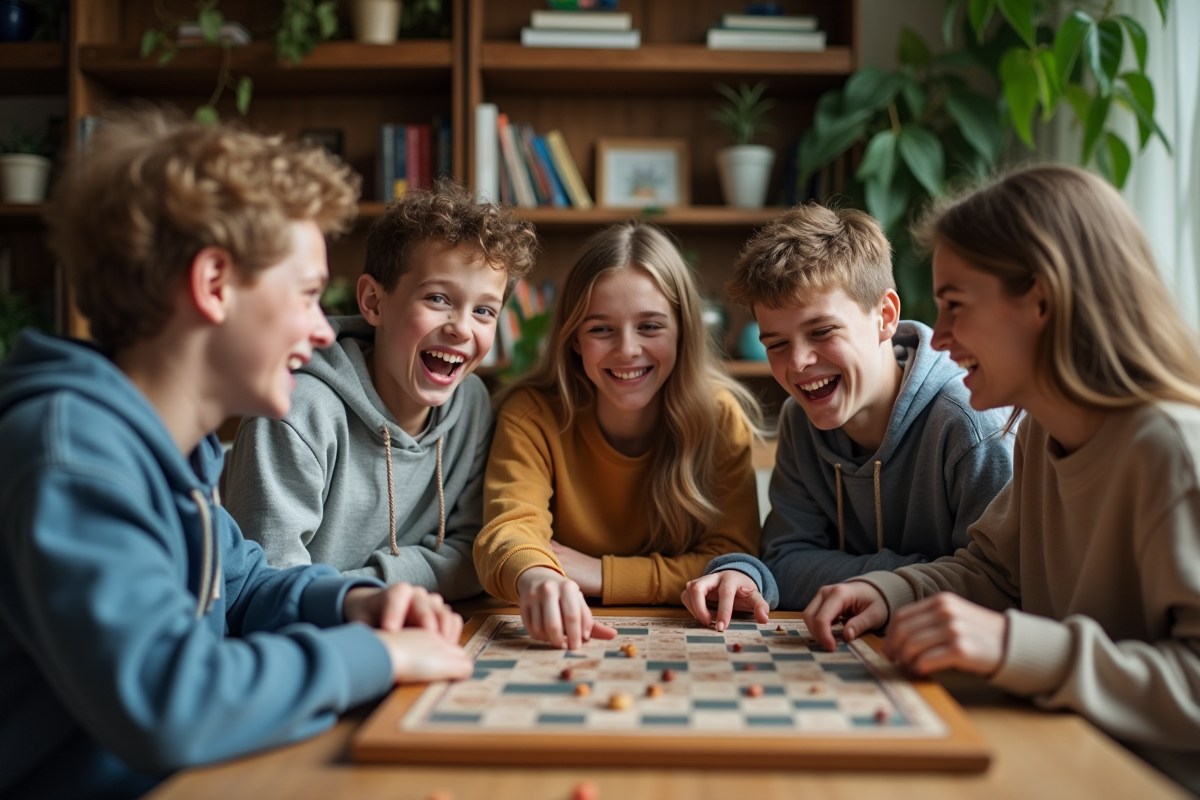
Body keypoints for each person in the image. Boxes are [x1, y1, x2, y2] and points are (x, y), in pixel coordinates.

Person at [0, 109, 471, 800]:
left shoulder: (169, 448)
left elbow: (241, 586)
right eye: (309, 294)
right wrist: (374, 655)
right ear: (214, 283)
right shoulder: (74, 460)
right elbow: (170, 700)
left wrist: (356, 604)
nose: (320, 330)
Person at [804, 165, 1200, 794]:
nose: (945, 336)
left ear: (1042, 299)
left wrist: (1024, 647)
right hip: (1069, 760)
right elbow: (993, 573)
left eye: (957, 306)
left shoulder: (1172, 450)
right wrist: (890, 591)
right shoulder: (1044, 432)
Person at [682, 204, 1012, 630]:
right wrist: (750, 573)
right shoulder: (798, 420)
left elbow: (997, 585)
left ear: (885, 317)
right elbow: (785, 561)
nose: (798, 363)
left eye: (822, 332)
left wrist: (863, 581)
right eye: (776, 343)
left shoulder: (970, 424)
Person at [225, 180, 537, 600]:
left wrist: (374, 585)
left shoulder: (473, 405)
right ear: (373, 301)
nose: (462, 328)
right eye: (438, 299)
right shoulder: (295, 411)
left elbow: (472, 555)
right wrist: (382, 594)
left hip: (409, 627)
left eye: (483, 310)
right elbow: (263, 593)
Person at [473, 222, 763, 650]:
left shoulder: (720, 417)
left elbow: (732, 561)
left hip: (692, 638)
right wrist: (539, 574)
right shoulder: (531, 416)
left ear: (683, 330)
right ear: (573, 338)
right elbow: (510, 531)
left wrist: (601, 574)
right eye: (601, 329)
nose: (627, 349)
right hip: (568, 631)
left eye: (650, 326)